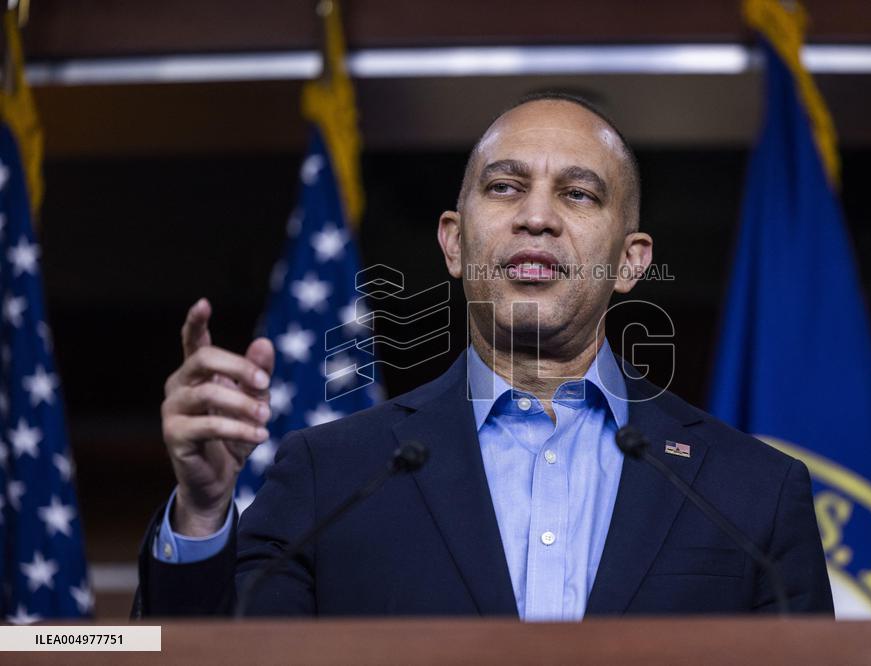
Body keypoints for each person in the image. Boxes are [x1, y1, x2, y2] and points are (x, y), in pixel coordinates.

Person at [133, 92, 833, 618]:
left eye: (579, 194)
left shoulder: (752, 493)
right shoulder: (330, 475)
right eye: (504, 187)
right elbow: (202, 660)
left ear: (629, 261)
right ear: (454, 243)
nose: (536, 216)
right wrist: (200, 511)